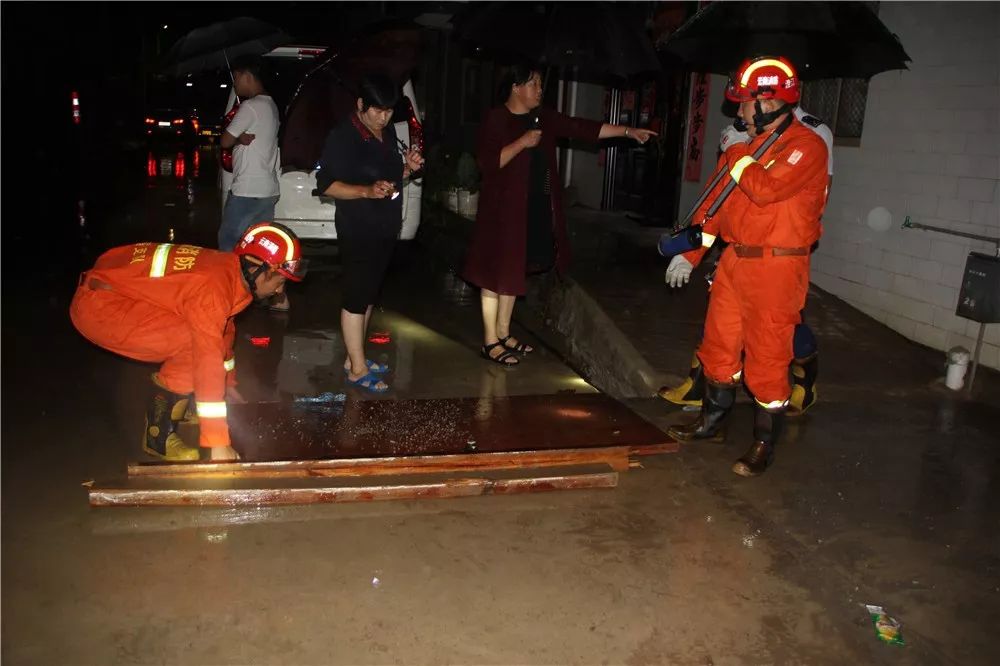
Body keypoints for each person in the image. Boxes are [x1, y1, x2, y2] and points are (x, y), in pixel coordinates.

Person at [663, 56, 829, 477]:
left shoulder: (806, 147)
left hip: (777, 269)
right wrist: (691, 253)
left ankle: (762, 443)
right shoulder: (745, 150)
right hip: (735, 261)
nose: (737, 112)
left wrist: (736, 151)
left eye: (743, 104)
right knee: (718, 344)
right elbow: (713, 211)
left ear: (768, 101)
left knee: (769, 355)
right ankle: (711, 423)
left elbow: (764, 189)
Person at [463, 63, 656, 366]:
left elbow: (582, 127)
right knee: (494, 273)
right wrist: (523, 142)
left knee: (514, 270)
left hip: (532, 208)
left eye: (541, 84)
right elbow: (488, 163)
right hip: (500, 211)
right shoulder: (497, 118)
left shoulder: (543, 118)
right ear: (516, 87)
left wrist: (628, 131)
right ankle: (490, 340)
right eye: (534, 84)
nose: (540, 90)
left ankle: (503, 332)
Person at [70, 223, 308, 462]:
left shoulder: (229, 271)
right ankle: (158, 436)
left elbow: (224, 329)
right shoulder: (213, 289)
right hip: (100, 310)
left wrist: (228, 382)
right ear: (258, 268)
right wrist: (218, 444)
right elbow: (208, 360)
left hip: (114, 290)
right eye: (280, 280)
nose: (279, 291)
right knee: (195, 344)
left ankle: (183, 403)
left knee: (205, 334)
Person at [315, 74, 423, 393]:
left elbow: (389, 174)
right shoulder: (342, 136)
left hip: (385, 225)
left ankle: (354, 357)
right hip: (358, 226)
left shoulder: (385, 132)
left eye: (389, 111)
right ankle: (357, 370)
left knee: (369, 294)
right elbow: (327, 186)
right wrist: (365, 191)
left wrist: (408, 168)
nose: (383, 117)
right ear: (361, 105)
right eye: (377, 110)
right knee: (355, 296)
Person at [218, 56, 285, 311]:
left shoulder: (250, 107)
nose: (235, 84)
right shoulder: (271, 106)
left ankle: (227, 297)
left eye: (236, 78)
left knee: (227, 244)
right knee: (260, 248)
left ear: (247, 76)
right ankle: (278, 295)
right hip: (267, 190)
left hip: (247, 190)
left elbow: (224, 140)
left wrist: (236, 137)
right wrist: (241, 137)